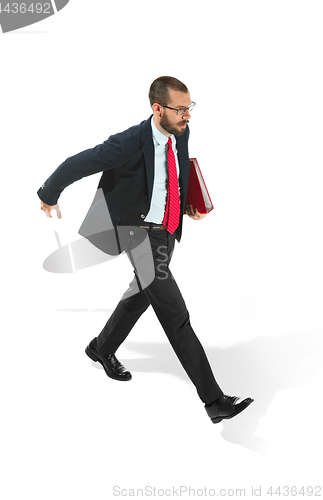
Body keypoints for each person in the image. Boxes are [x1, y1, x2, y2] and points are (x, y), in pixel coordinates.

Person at [38, 76, 253, 424]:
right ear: (157, 108)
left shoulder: (181, 132)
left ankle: (101, 347)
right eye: (180, 109)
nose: (187, 116)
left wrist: (186, 205)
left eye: (189, 108)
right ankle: (215, 402)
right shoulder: (127, 143)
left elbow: (174, 173)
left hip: (166, 230)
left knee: (141, 293)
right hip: (136, 232)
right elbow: (78, 162)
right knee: (174, 313)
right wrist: (49, 193)